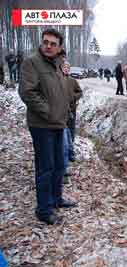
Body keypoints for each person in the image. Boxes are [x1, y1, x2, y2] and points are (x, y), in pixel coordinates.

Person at [18, 28, 77, 225]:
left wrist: (67, 107)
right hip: (42, 124)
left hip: (59, 123)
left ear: (60, 47)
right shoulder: (32, 62)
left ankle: (56, 199)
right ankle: (43, 209)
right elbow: (28, 92)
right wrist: (49, 111)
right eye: (45, 42)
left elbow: (63, 89)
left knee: (60, 164)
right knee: (46, 167)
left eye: (53, 43)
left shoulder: (59, 64)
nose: (48, 46)